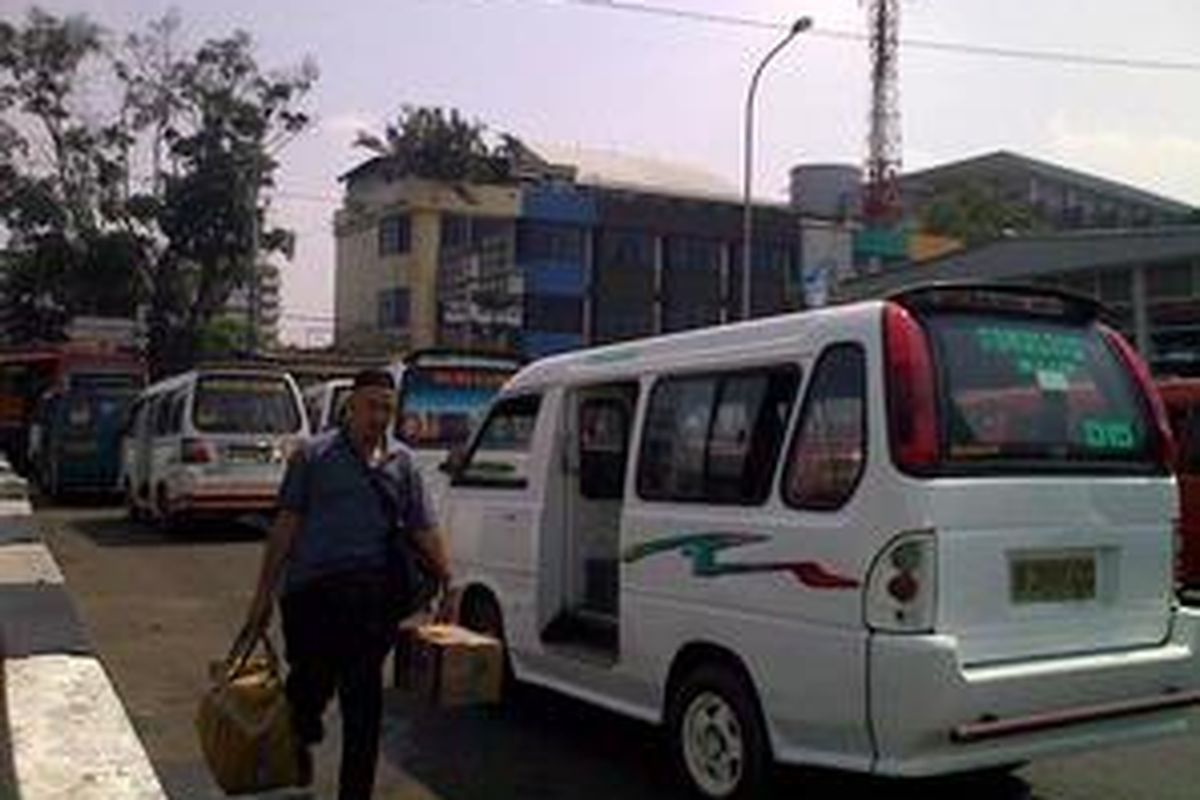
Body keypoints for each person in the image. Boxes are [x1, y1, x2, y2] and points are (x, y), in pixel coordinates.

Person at [242, 368, 451, 799]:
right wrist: (262, 596)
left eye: (387, 409)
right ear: (350, 407)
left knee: (363, 708)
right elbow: (285, 527)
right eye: (372, 406)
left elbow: (422, 528)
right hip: (312, 597)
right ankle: (298, 736)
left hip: (372, 602)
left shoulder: (403, 463)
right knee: (307, 692)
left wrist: (449, 579)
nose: (379, 417)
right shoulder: (313, 457)